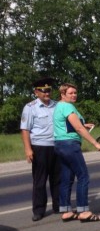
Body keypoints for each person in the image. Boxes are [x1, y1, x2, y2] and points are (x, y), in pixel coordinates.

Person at [53, 83, 100, 222]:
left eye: (75, 92)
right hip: (70, 145)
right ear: (63, 94)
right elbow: (78, 129)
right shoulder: (68, 106)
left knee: (67, 178)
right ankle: (83, 211)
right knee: (83, 176)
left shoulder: (59, 106)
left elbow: (68, 125)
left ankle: (66, 210)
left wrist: (84, 125)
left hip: (60, 144)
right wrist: (96, 143)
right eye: (70, 93)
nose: (74, 95)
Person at [20, 77, 60, 221]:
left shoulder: (57, 105)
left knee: (57, 179)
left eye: (48, 90)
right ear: (36, 92)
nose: (46, 93)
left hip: (56, 146)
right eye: (43, 91)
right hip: (40, 147)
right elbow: (25, 129)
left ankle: (59, 206)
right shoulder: (30, 107)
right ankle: (39, 210)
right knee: (40, 181)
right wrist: (28, 149)